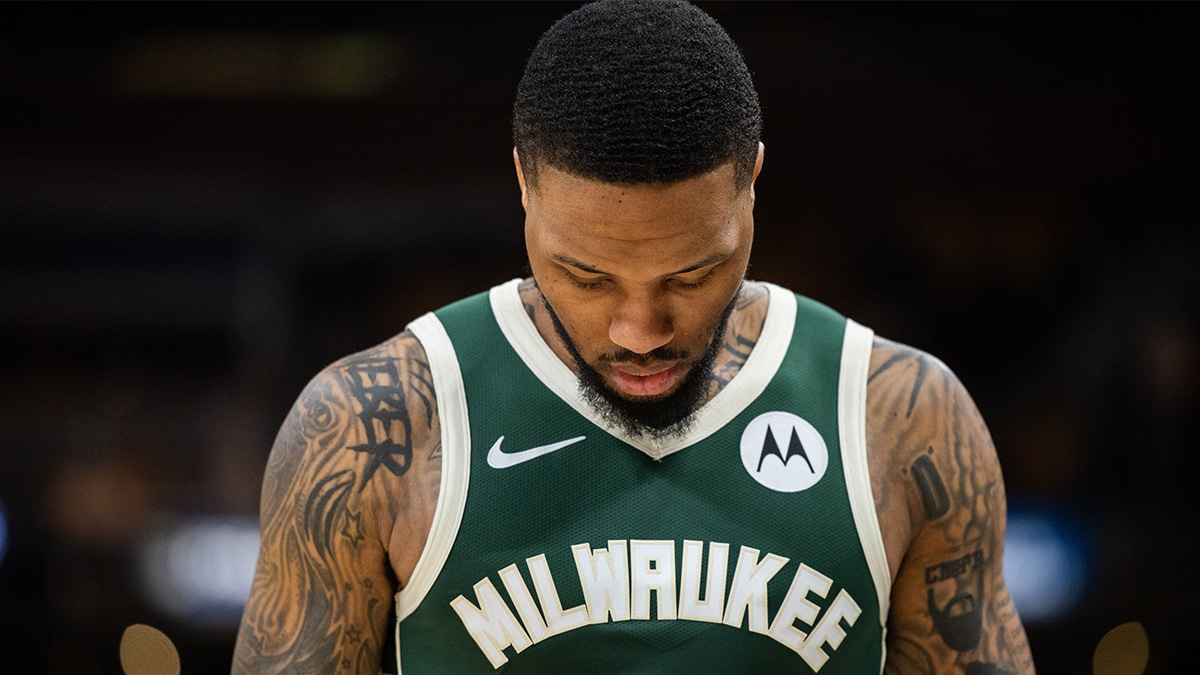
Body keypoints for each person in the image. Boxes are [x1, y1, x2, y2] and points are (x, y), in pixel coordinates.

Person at [233, 1, 1035, 672]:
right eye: (587, 277)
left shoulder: (903, 418)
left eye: (691, 275)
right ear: (522, 183)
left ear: (752, 184)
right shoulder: (374, 428)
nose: (640, 331)